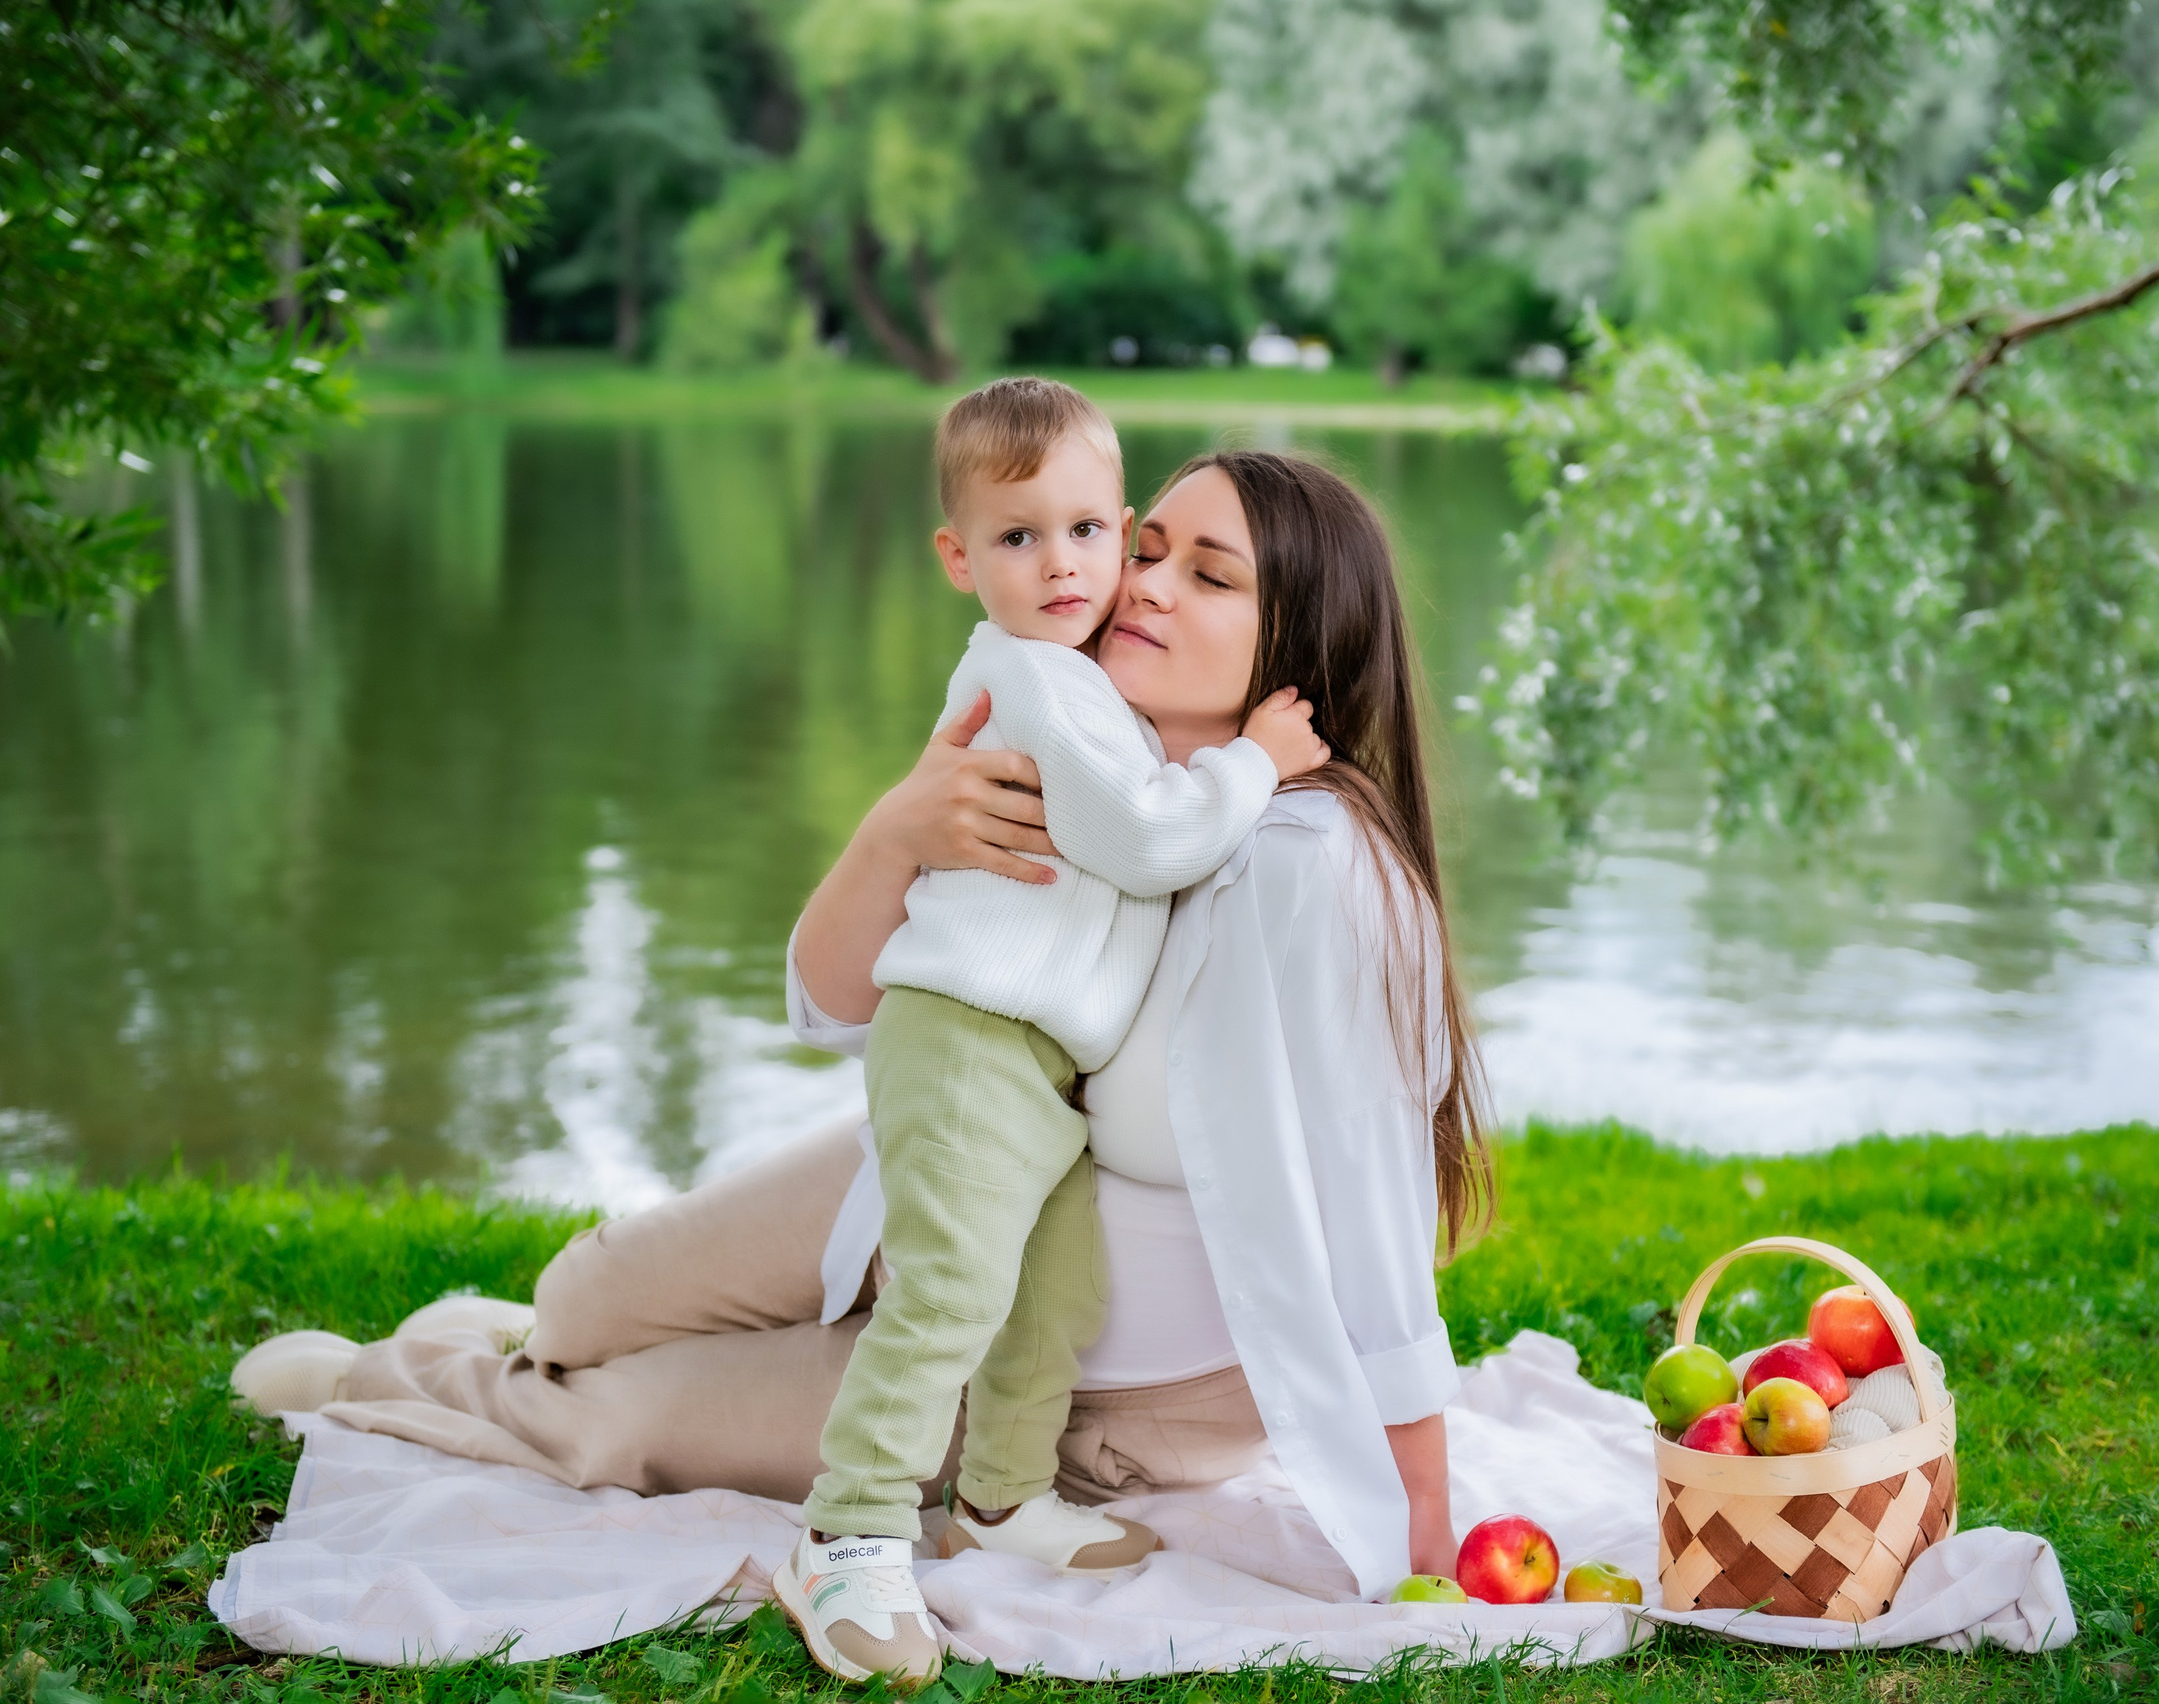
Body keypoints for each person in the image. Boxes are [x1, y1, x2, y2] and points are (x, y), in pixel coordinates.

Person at [231, 447, 1493, 1666]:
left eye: (1210, 576)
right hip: (928, 1162)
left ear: (1303, 653)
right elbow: (837, 1007)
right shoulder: (1066, 730)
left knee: (621, 1422)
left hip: (1062, 1365)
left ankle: (392, 1380)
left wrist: (1419, 1520)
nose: (1146, 585)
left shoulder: (1306, 870)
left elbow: (1373, 1206)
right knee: (584, 1299)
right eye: (1145, 548)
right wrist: (894, 834)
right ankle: (532, 1333)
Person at [780, 379, 1328, 1685]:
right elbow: (1143, 841)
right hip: (968, 1036)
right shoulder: (1033, 682)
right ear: (958, 557)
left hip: (1038, 1063)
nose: (1064, 565)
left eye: (1087, 532)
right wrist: (1253, 761)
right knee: (952, 1291)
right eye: (1018, 538)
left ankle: (1000, 1498)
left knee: (1052, 1295)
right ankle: (848, 1533)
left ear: (1117, 530)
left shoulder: (1090, 689)